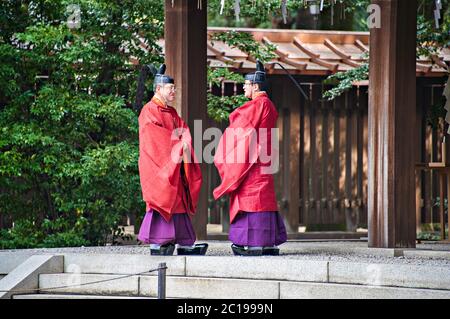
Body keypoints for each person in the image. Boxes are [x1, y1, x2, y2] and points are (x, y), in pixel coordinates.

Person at [213, 61, 287, 256]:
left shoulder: (259, 104)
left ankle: (254, 243)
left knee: (251, 198)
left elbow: (241, 127)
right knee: (262, 198)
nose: (244, 87)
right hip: (262, 158)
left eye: (246, 84)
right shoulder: (267, 104)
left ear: (256, 86)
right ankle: (267, 242)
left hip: (253, 161)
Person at [137, 64, 208, 256]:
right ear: (159, 89)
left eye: (174, 88)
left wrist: (184, 144)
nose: (174, 92)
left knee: (178, 201)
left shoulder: (172, 113)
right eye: (171, 88)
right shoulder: (149, 111)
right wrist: (178, 146)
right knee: (162, 199)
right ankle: (158, 243)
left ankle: (183, 242)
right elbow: (155, 139)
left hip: (174, 166)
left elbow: (184, 130)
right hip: (158, 166)